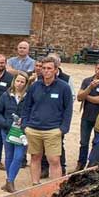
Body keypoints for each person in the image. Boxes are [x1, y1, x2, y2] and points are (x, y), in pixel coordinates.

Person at [21, 57, 72, 185]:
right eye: (43, 68)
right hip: (33, 129)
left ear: (55, 70)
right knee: (35, 157)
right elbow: (26, 106)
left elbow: (68, 109)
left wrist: (63, 129)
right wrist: (25, 125)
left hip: (53, 130)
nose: (46, 71)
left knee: (54, 160)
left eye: (49, 68)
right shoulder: (34, 86)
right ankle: (35, 184)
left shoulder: (64, 87)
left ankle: (55, 188)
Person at [0, 71, 30, 192]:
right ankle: (10, 181)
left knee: (18, 157)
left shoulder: (29, 97)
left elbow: (32, 112)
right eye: (17, 81)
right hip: (7, 130)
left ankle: (9, 181)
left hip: (22, 132)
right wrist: (5, 123)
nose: (19, 84)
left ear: (26, 84)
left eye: (22, 82)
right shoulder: (6, 95)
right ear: (14, 81)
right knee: (9, 155)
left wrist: (25, 122)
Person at [74, 59, 99, 172]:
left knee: (97, 142)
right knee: (83, 142)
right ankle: (80, 163)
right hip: (86, 116)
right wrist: (89, 88)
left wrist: (86, 96)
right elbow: (79, 97)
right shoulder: (87, 81)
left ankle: (92, 164)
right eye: (98, 68)